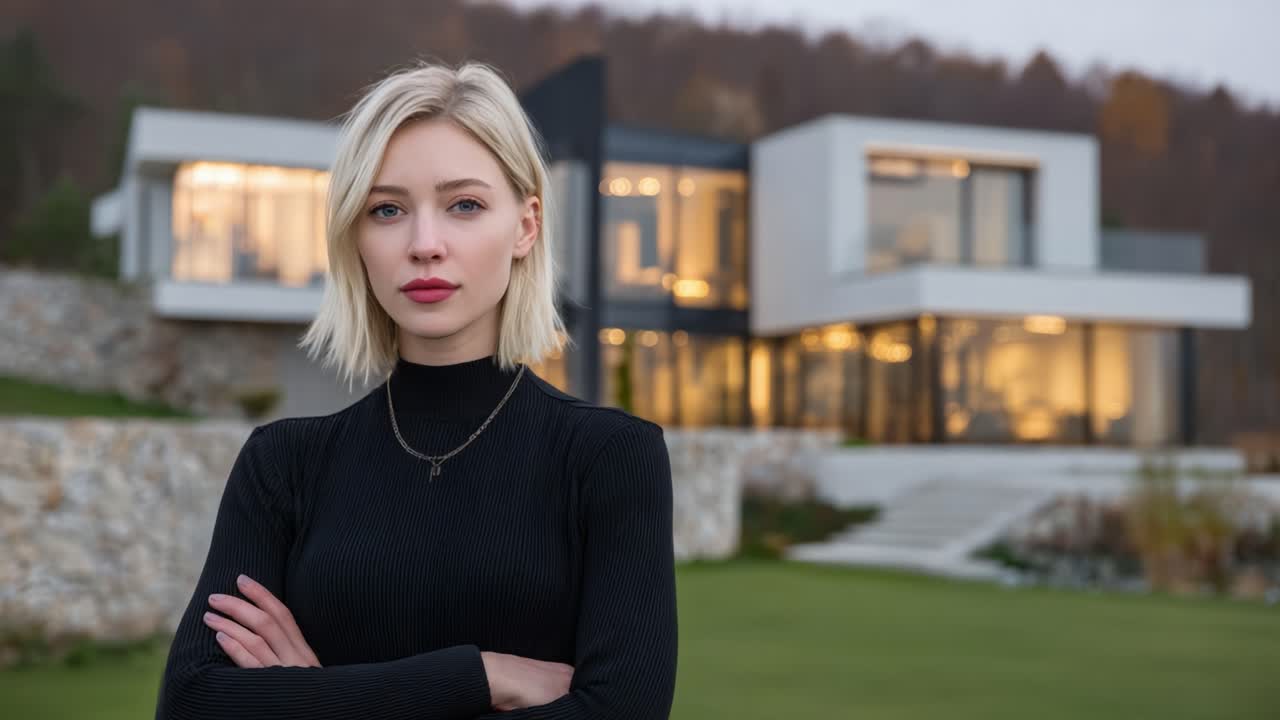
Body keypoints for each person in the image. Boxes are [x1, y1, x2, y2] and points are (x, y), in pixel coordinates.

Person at [154, 61, 678, 720]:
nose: (425, 244)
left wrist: (316, 695)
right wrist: (481, 675)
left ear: (525, 226)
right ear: (355, 235)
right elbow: (192, 704)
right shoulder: (283, 465)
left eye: (465, 205)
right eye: (388, 210)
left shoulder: (609, 459)